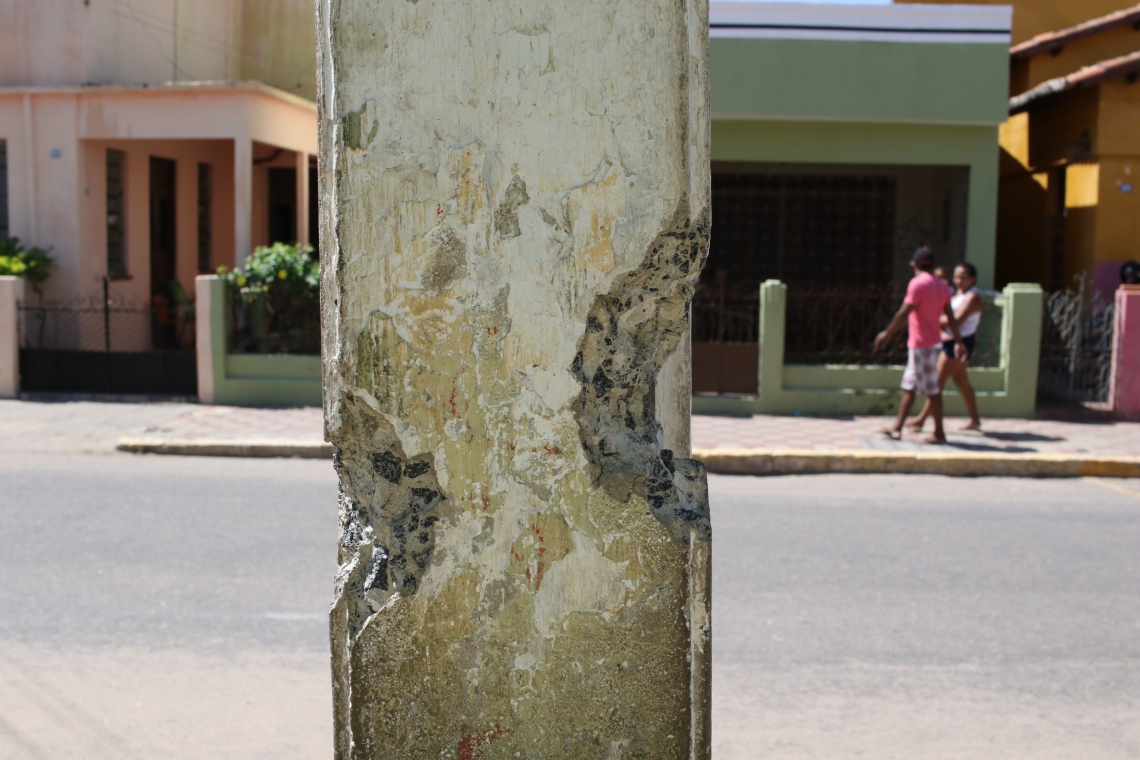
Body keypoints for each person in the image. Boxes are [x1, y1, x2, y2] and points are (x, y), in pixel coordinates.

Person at [874, 247, 966, 444]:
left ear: (914, 264)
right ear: (932, 265)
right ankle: (897, 428)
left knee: (932, 390)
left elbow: (903, 312)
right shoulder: (942, 286)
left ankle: (939, 434)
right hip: (930, 344)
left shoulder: (917, 284)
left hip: (922, 345)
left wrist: (887, 333)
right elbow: (950, 316)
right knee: (909, 386)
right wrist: (959, 341)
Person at [908, 262, 983, 432]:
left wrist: (933, 319)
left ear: (973, 279)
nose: (959, 280)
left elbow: (955, 320)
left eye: (963, 277)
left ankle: (921, 419)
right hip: (951, 341)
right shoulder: (957, 295)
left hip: (959, 343)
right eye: (956, 277)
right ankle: (975, 420)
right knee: (962, 381)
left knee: (936, 383)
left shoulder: (972, 297)